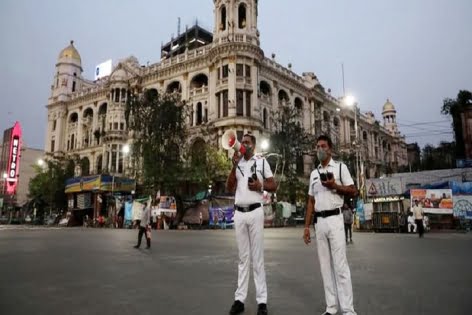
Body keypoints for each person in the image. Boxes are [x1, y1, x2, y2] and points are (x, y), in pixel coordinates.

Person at [303, 135, 358, 315]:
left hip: (335, 219)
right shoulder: (313, 174)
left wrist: (335, 186)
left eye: (323, 146)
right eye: (317, 146)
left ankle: (348, 310)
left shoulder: (340, 167)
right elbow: (311, 201)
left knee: (340, 266)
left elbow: (353, 190)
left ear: (330, 149)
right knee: (325, 267)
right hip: (319, 223)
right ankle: (331, 307)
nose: (319, 149)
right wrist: (306, 226)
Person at [226, 133, 277, 315]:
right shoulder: (237, 163)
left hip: (255, 211)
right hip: (239, 213)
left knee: (257, 258)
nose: (243, 145)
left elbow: (274, 185)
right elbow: (229, 187)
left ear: (253, 146)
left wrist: (260, 186)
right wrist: (233, 167)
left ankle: (262, 302)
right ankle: (239, 299)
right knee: (243, 258)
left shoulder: (261, 162)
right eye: (242, 142)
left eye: (247, 142)